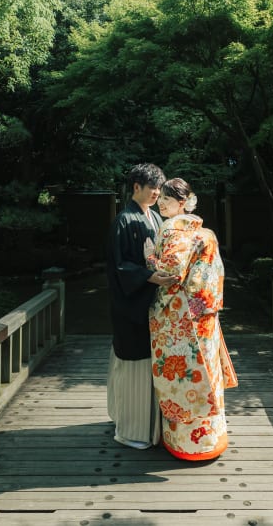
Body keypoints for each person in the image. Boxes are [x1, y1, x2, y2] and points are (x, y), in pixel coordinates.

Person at [146, 177, 236, 461]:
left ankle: (186, 444)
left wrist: (149, 258)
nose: (161, 204)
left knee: (182, 378)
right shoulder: (206, 233)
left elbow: (171, 273)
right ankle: (211, 439)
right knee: (208, 370)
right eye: (161, 198)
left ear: (183, 203)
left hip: (181, 318)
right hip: (205, 314)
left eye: (168, 199)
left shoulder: (174, 229)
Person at [105, 163, 177, 450]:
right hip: (131, 306)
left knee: (152, 364)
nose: (157, 193)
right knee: (134, 364)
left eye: (159, 188)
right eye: (152, 188)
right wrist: (149, 276)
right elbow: (120, 266)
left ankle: (152, 428)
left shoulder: (156, 217)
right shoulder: (123, 220)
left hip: (151, 302)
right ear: (137, 187)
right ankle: (132, 429)